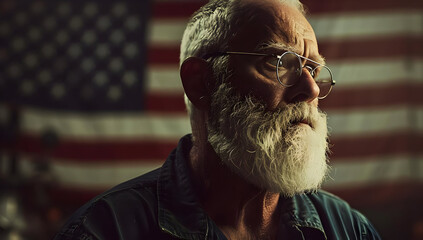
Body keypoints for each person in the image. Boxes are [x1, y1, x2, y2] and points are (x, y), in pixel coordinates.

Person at [54, 0, 381, 239]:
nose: (310, 89)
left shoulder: (350, 230)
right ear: (201, 82)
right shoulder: (105, 231)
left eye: (313, 69)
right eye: (278, 62)